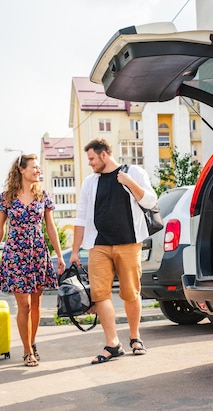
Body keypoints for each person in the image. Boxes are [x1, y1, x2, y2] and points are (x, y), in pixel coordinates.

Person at [70, 138, 157, 365]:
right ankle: (113, 344)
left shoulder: (134, 172)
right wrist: (74, 251)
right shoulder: (90, 183)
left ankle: (135, 338)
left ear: (104, 156)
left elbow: (150, 201)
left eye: (91, 158)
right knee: (100, 295)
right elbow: (81, 217)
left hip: (129, 243)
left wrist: (129, 183)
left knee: (131, 293)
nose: (89, 163)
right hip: (98, 245)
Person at [0, 153, 65, 367]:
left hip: (38, 253)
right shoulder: (7, 197)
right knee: (24, 306)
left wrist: (60, 256)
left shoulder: (43, 196)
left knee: (36, 305)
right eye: (34, 167)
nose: (38, 170)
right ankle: (27, 351)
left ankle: (32, 342)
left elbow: (51, 228)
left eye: (38, 167)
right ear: (22, 170)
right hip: (16, 255)